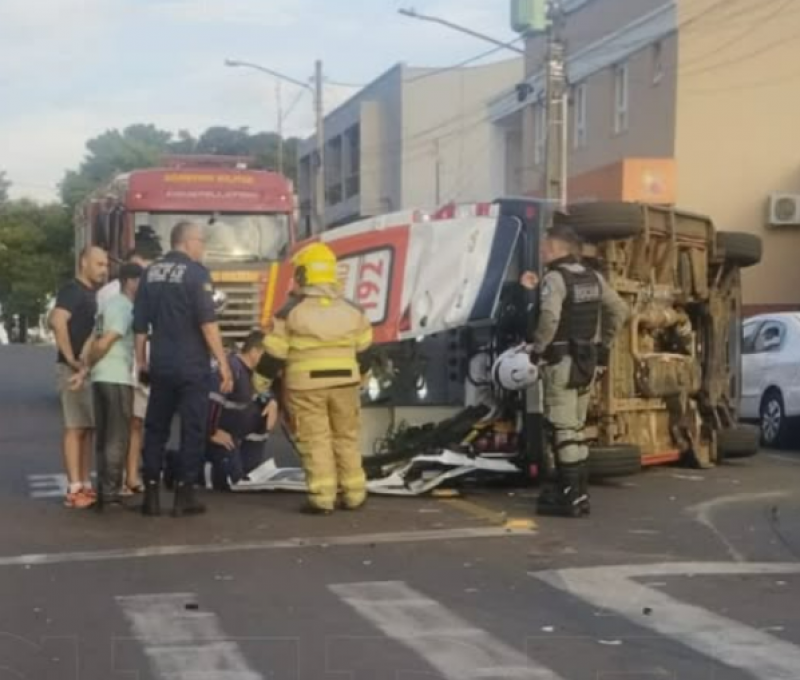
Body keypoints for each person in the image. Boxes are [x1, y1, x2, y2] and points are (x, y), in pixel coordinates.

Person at [520, 224, 629, 518]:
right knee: (577, 429)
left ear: (558, 250)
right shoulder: (594, 278)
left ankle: (567, 496)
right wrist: (604, 344)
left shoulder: (555, 279)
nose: (542, 251)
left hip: (561, 362)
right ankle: (579, 494)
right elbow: (619, 310)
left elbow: (550, 317)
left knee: (563, 428)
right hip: (587, 361)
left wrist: (538, 348)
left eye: (546, 247)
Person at [256, 243, 373, 515]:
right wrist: (363, 376)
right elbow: (365, 351)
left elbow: (274, 353)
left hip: (306, 387)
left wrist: (260, 381)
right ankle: (354, 493)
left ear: (303, 276)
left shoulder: (289, 312)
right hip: (346, 384)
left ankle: (322, 497)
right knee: (346, 437)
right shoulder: (354, 310)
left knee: (316, 439)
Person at [133, 221, 233, 518]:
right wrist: (224, 365)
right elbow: (208, 324)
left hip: (161, 363)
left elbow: (139, 325)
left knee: (156, 428)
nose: (203, 247)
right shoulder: (196, 273)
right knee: (192, 429)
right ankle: (183, 495)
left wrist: (142, 362)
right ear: (188, 241)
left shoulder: (149, 273)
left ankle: (151, 495)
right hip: (191, 365)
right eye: (201, 241)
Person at [77, 263, 143, 509]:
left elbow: (93, 340)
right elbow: (104, 343)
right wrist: (90, 364)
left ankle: (105, 492)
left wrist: (86, 369)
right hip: (116, 378)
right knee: (117, 438)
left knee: (105, 437)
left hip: (101, 377)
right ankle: (111, 495)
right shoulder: (124, 307)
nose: (143, 285)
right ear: (129, 281)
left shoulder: (108, 306)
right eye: (140, 280)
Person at [97, 244, 161, 496]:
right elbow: (105, 332)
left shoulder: (150, 292)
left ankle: (131, 476)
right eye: (138, 269)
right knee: (118, 429)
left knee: (136, 424)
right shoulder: (110, 296)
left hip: (140, 367)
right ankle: (114, 482)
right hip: (120, 369)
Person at [49, 246, 109, 509]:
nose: (103, 269)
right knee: (75, 428)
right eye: (98, 264)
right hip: (72, 369)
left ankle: (85, 483)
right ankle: (74, 488)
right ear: (83, 263)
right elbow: (57, 320)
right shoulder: (72, 290)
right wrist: (72, 357)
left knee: (87, 428)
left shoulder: (93, 294)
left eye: (105, 264)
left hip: (88, 369)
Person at [207, 330, 279, 491]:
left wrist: (272, 402)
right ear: (254, 352)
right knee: (231, 482)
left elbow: (264, 391)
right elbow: (211, 402)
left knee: (247, 479)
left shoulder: (257, 373)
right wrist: (211, 432)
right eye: (267, 355)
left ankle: (246, 463)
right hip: (221, 434)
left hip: (239, 433)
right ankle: (177, 463)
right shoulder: (231, 368)